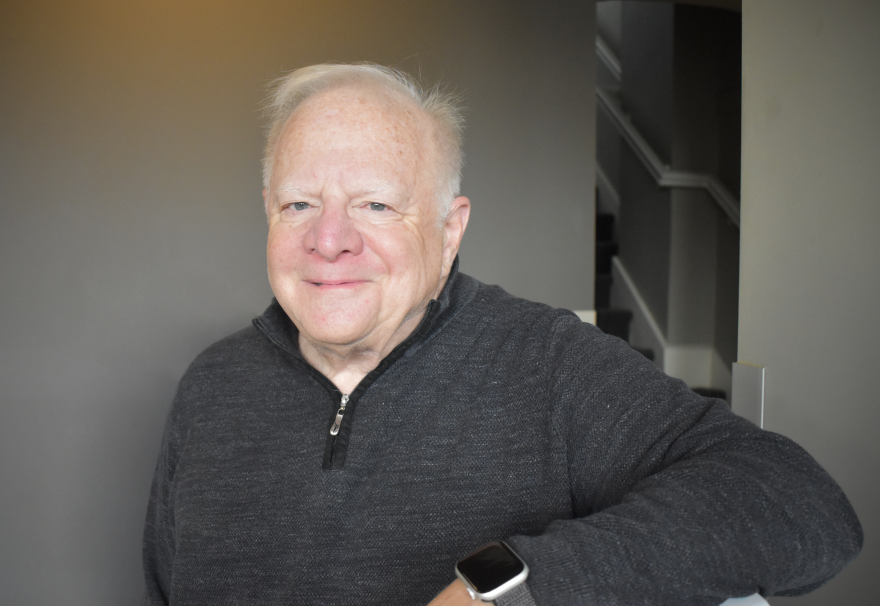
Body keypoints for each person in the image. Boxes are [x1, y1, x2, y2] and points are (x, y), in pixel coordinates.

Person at [141, 63, 861, 606]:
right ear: (267, 212)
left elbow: (800, 502)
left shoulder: (546, 364)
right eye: (300, 203)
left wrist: (513, 587)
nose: (330, 240)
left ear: (450, 231)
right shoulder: (211, 387)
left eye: (377, 204)